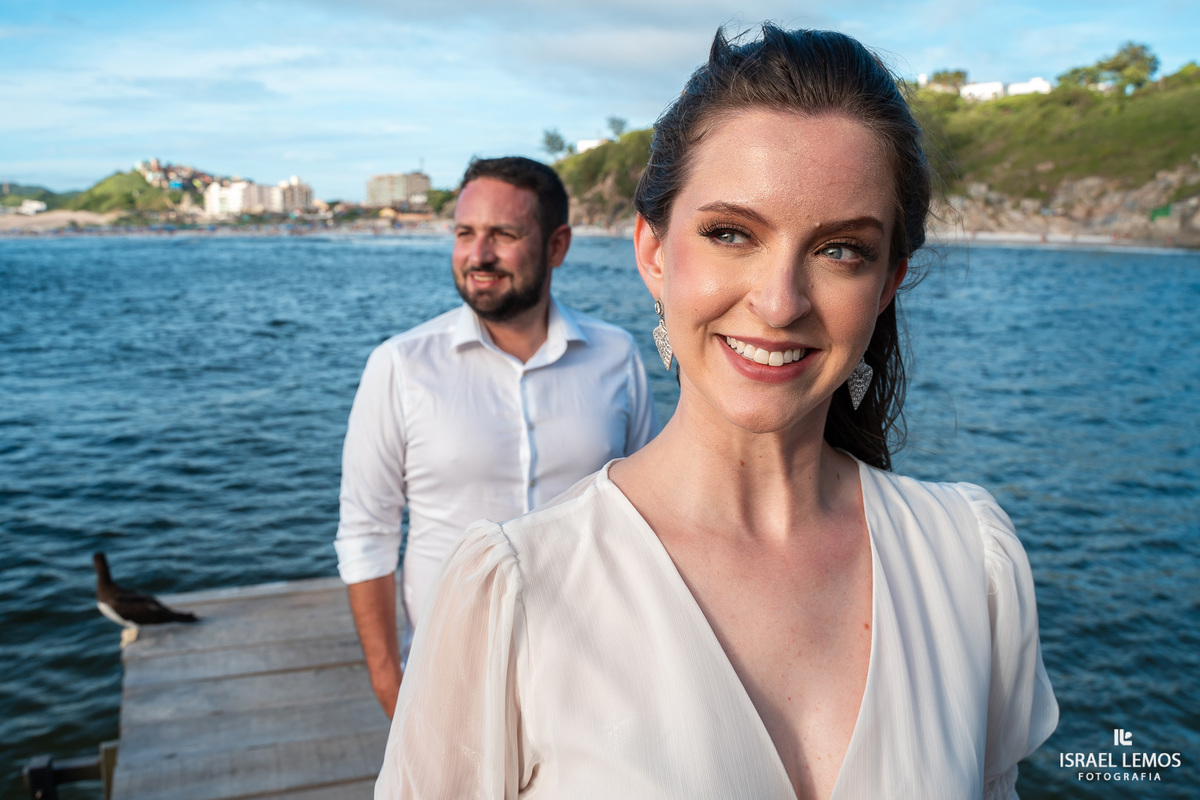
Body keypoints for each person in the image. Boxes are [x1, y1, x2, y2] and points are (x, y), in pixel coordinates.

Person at [377, 27, 1057, 799]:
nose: (778, 302)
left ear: (889, 282)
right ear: (654, 253)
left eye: (841, 250)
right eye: (732, 233)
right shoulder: (516, 594)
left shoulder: (971, 563)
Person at [336, 156, 660, 719]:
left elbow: (650, 514)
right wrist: (391, 683)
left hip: (597, 675)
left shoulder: (616, 356)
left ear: (557, 245)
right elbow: (368, 532)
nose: (478, 256)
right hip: (447, 678)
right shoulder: (400, 365)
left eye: (503, 235)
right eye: (465, 233)